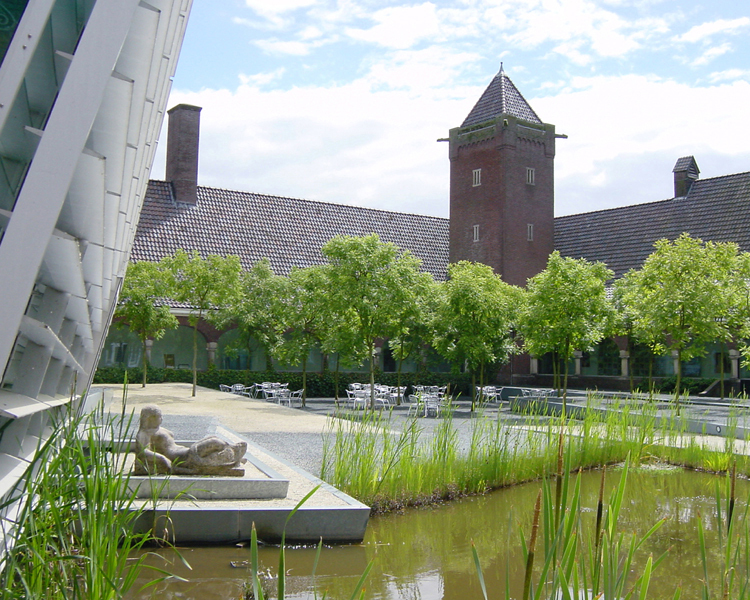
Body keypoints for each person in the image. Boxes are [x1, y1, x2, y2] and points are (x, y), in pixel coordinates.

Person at [134, 405, 247, 475]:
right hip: (180, 456)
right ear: (149, 418)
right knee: (216, 443)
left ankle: (231, 456)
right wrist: (162, 458)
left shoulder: (159, 429)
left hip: (183, 450)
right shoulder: (145, 433)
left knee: (215, 439)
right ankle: (232, 456)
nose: (161, 418)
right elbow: (143, 452)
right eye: (159, 416)